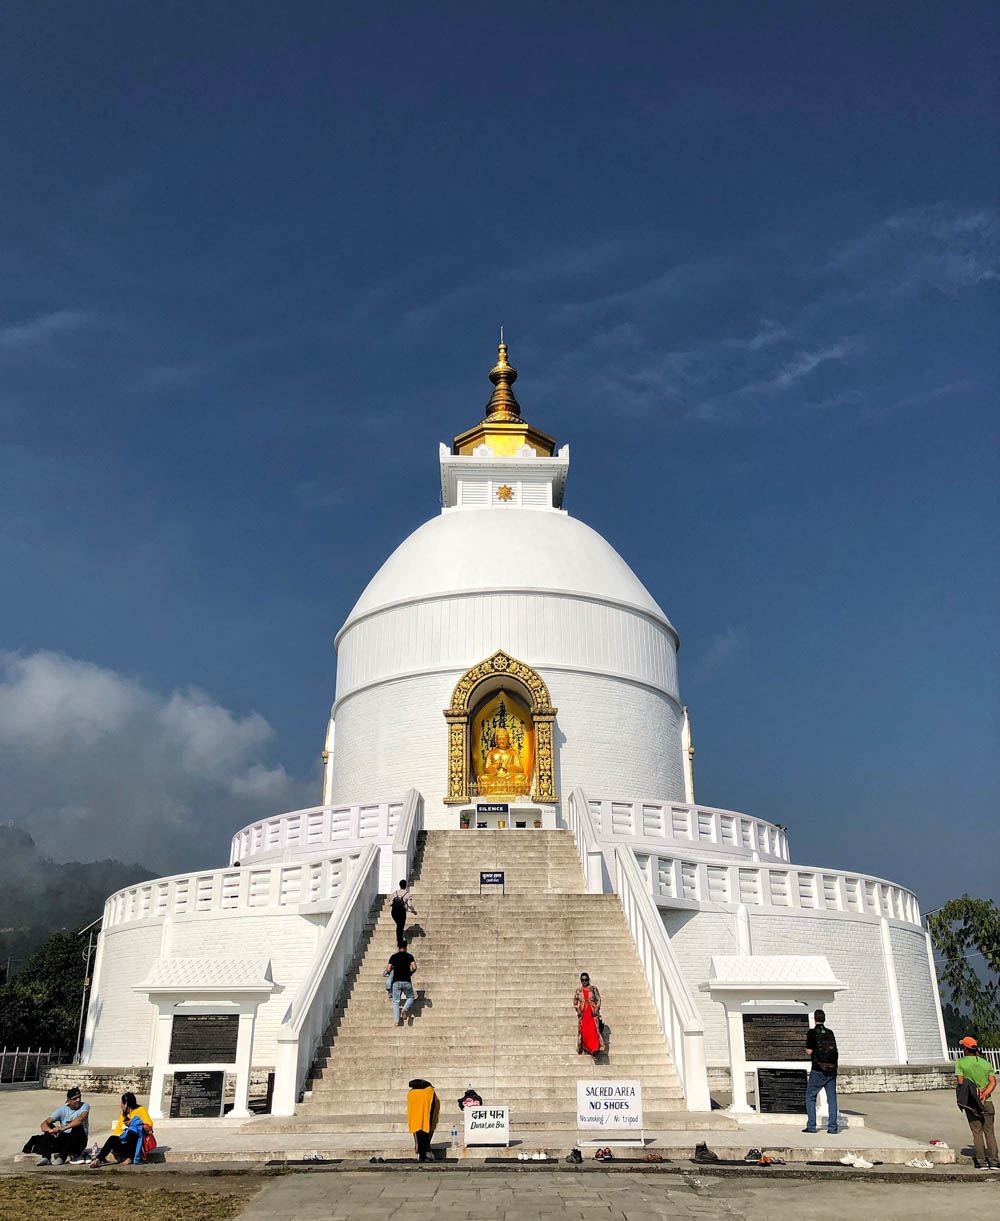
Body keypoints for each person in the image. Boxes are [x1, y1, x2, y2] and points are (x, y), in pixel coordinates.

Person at [955, 1036, 998, 1169]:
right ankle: (995, 1162)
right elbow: (993, 1082)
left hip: (972, 1103)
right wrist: (984, 1094)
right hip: (987, 1101)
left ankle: (981, 1162)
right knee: (990, 1132)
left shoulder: (961, 1062)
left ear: (966, 1049)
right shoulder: (986, 1063)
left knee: (977, 1132)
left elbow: (961, 1082)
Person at [26, 1087, 90, 1165]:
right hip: (65, 1140)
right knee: (48, 1128)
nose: (78, 1100)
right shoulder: (62, 1110)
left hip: (79, 1141)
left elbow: (80, 1119)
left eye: (79, 1097)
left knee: (77, 1127)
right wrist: (51, 1130)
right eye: (75, 1099)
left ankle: (62, 1158)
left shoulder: (85, 1106)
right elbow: (44, 1124)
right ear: (68, 1101)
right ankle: (46, 1157)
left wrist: (63, 1128)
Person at [89, 1092, 153, 1167]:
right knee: (112, 1138)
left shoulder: (141, 1110)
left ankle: (130, 1157)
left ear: (126, 1104)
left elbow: (149, 1126)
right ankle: (98, 1159)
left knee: (132, 1133)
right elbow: (117, 1132)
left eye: (122, 1103)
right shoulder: (124, 1115)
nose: (121, 1105)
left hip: (136, 1142)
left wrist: (133, 1123)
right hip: (124, 1142)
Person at [802, 1009, 839, 1135]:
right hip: (832, 1069)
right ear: (824, 1019)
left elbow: (809, 1051)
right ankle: (833, 1127)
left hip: (818, 1069)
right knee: (832, 1099)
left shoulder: (812, 1033)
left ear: (814, 1018)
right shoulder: (830, 1032)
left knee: (810, 1096)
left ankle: (812, 1126)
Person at [407, 1078, 440, 1162]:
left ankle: (422, 1152)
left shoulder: (411, 1093)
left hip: (418, 1107)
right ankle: (425, 1151)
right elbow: (433, 1119)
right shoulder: (429, 1092)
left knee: (417, 1123)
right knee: (426, 1123)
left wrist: (416, 1143)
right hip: (428, 1109)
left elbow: (413, 1119)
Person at [574, 972, 604, 1057]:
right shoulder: (578, 990)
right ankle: (587, 1048)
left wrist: (596, 1008)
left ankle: (595, 1049)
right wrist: (578, 1009)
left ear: (588, 980)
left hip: (592, 1013)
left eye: (586, 980)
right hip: (583, 1014)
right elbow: (575, 1001)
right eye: (582, 980)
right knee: (585, 1031)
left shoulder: (593, 989)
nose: (584, 982)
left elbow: (598, 999)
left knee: (593, 1031)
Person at [387, 945, 417, 1027]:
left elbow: (388, 968)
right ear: (406, 948)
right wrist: (410, 972)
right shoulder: (409, 956)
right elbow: (414, 967)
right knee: (411, 997)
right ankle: (404, 1009)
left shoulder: (393, 956)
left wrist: (391, 974)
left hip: (396, 981)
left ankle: (396, 1023)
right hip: (407, 980)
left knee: (396, 1001)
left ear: (398, 947)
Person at [390, 879, 417, 950]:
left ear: (400, 885)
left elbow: (390, 903)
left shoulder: (394, 893)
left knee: (399, 925)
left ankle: (399, 940)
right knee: (400, 926)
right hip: (401, 911)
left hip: (394, 911)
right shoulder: (407, 894)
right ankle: (399, 942)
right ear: (405, 885)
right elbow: (410, 905)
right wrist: (413, 911)